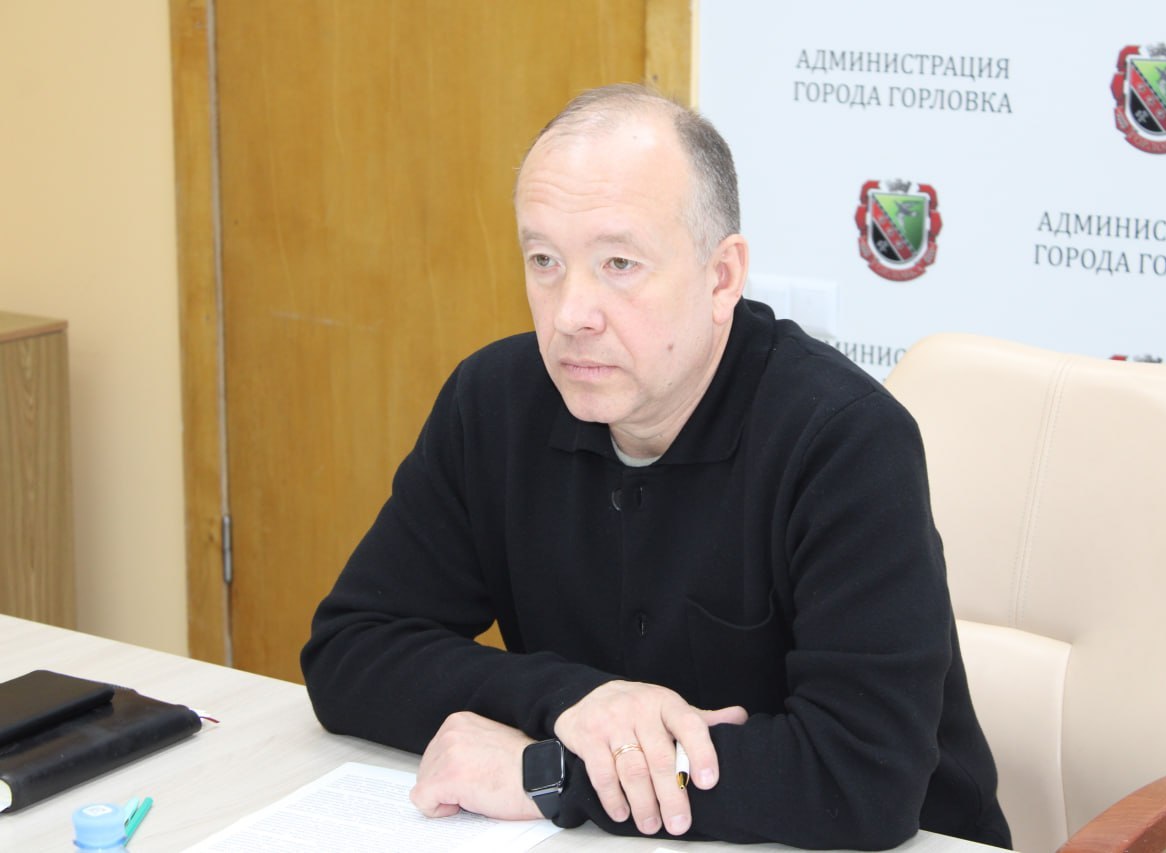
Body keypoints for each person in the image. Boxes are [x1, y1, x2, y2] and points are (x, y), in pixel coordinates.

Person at [301, 83, 1011, 850]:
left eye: (619, 263)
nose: (570, 313)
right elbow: (350, 650)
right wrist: (574, 699)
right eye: (544, 260)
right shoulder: (494, 403)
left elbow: (863, 777)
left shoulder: (844, 440)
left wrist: (556, 773)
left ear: (721, 277)